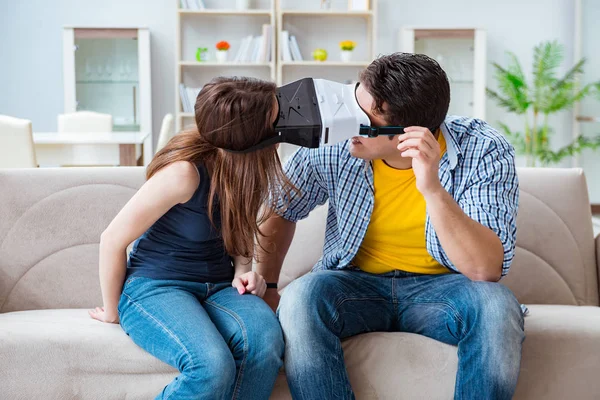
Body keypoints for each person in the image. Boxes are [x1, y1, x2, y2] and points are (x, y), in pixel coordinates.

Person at [256, 53, 525, 400]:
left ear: (408, 134)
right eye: (353, 104)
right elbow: (279, 206)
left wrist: (431, 187)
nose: (347, 125)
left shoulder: (483, 149)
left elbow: (484, 270)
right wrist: (272, 285)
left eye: (363, 121)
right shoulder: (339, 142)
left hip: (443, 289)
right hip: (354, 284)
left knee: (497, 307)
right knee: (299, 299)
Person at [89, 77, 294, 400]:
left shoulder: (249, 169)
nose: (284, 124)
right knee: (212, 366)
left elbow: (238, 231)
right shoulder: (184, 173)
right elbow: (112, 239)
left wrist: (244, 275)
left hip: (218, 287)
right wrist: (113, 311)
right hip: (157, 286)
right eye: (275, 118)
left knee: (266, 344)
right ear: (250, 135)